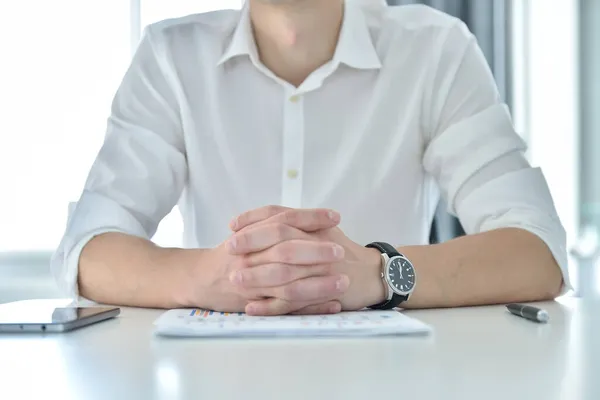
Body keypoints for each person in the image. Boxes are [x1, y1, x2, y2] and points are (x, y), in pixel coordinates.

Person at [51, 0, 569, 316]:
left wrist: (379, 274)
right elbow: (87, 249)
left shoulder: (436, 50)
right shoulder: (170, 56)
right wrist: (208, 278)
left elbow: (538, 252)